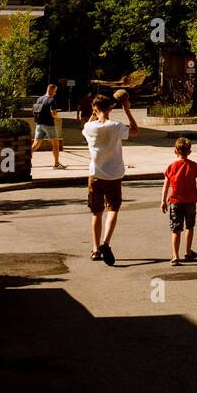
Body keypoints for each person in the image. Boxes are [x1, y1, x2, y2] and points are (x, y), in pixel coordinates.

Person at [83, 91, 139, 265]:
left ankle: (95, 249)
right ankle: (106, 242)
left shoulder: (89, 127)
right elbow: (136, 131)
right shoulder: (116, 126)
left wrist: (94, 113)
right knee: (113, 209)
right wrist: (128, 110)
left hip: (95, 175)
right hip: (114, 175)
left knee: (96, 213)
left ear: (95, 108)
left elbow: (89, 123)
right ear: (110, 108)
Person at [160, 136, 197, 265]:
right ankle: (188, 251)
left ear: (175, 151)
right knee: (189, 226)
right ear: (189, 152)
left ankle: (175, 256)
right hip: (190, 202)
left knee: (175, 229)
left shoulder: (171, 167)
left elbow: (166, 185)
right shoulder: (194, 166)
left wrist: (163, 200)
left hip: (175, 202)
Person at [31, 83, 63, 168]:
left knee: (36, 144)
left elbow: (35, 111)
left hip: (39, 125)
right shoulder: (51, 100)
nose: (55, 93)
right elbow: (54, 113)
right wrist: (56, 117)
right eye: (55, 91)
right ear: (52, 90)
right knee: (55, 144)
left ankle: (26, 158)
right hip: (49, 125)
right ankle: (56, 164)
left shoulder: (39, 99)